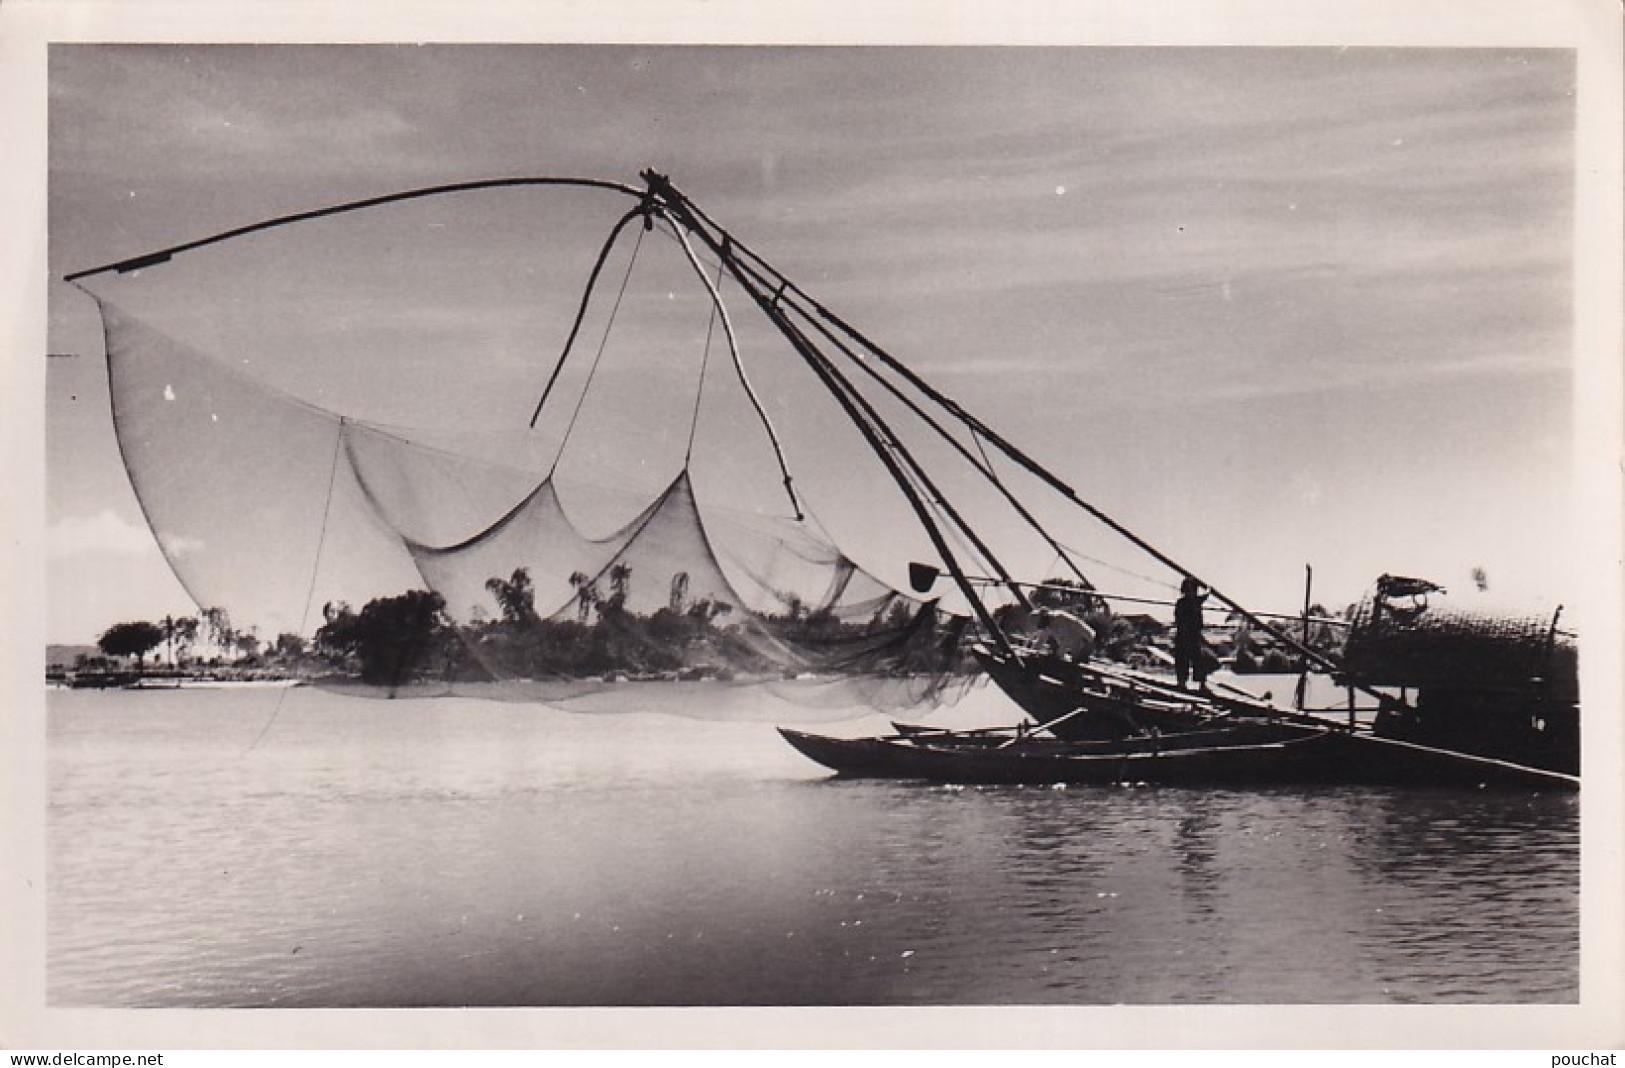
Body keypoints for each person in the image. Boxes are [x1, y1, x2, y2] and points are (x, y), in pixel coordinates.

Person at [1174, 577, 1210, 690]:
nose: (1190, 593)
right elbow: (1179, 620)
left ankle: (1202, 684)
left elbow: (1207, 594)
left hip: (1194, 636)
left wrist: (1207, 588)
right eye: (1188, 590)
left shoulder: (1197, 601)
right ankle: (1181, 683)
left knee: (1199, 660)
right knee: (1182, 660)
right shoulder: (1181, 603)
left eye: (1193, 590)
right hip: (1183, 635)